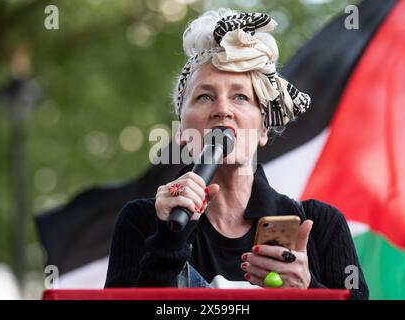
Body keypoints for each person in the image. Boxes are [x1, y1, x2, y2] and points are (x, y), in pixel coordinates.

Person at [105, 9, 368, 299]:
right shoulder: (142, 221)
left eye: (240, 97)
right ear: (181, 130)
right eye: (204, 96)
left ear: (263, 129)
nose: (222, 109)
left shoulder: (322, 226)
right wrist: (168, 241)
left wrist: (306, 290)